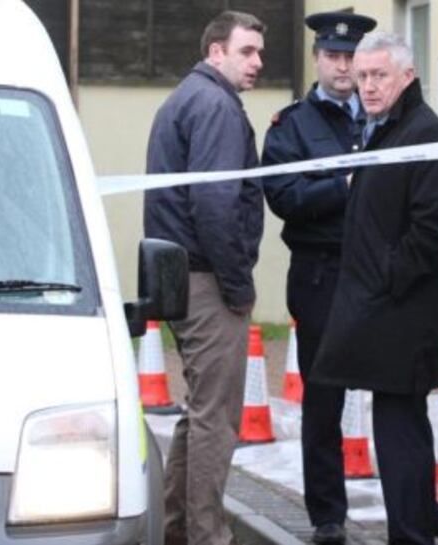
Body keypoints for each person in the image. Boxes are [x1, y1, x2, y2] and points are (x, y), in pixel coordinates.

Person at [310, 32, 438, 545]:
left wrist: (385, 276)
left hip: (404, 312)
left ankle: (410, 534)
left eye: (378, 75)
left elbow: (434, 232)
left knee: (399, 429)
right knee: (403, 422)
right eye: (362, 77)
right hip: (381, 308)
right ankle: (419, 524)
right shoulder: (381, 131)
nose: (367, 86)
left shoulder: (426, 135)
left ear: (407, 76)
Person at [142, 11, 265, 545]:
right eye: (247, 51)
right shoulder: (214, 105)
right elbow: (215, 204)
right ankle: (207, 537)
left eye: (260, 52)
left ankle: (178, 531)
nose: (258, 62)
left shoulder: (189, 97)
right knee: (216, 418)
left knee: (199, 415)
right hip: (206, 280)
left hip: (182, 277)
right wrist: (238, 283)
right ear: (217, 51)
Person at [259, 11, 375, 545]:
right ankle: (328, 517)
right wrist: (347, 187)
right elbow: (285, 198)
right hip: (321, 274)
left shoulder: (380, 116)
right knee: (323, 400)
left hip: (376, 273)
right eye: (333, 55)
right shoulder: (292, 126)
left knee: (399, 391)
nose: (343, 66)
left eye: (351, 56)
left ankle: (416, 505)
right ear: (317, 59)